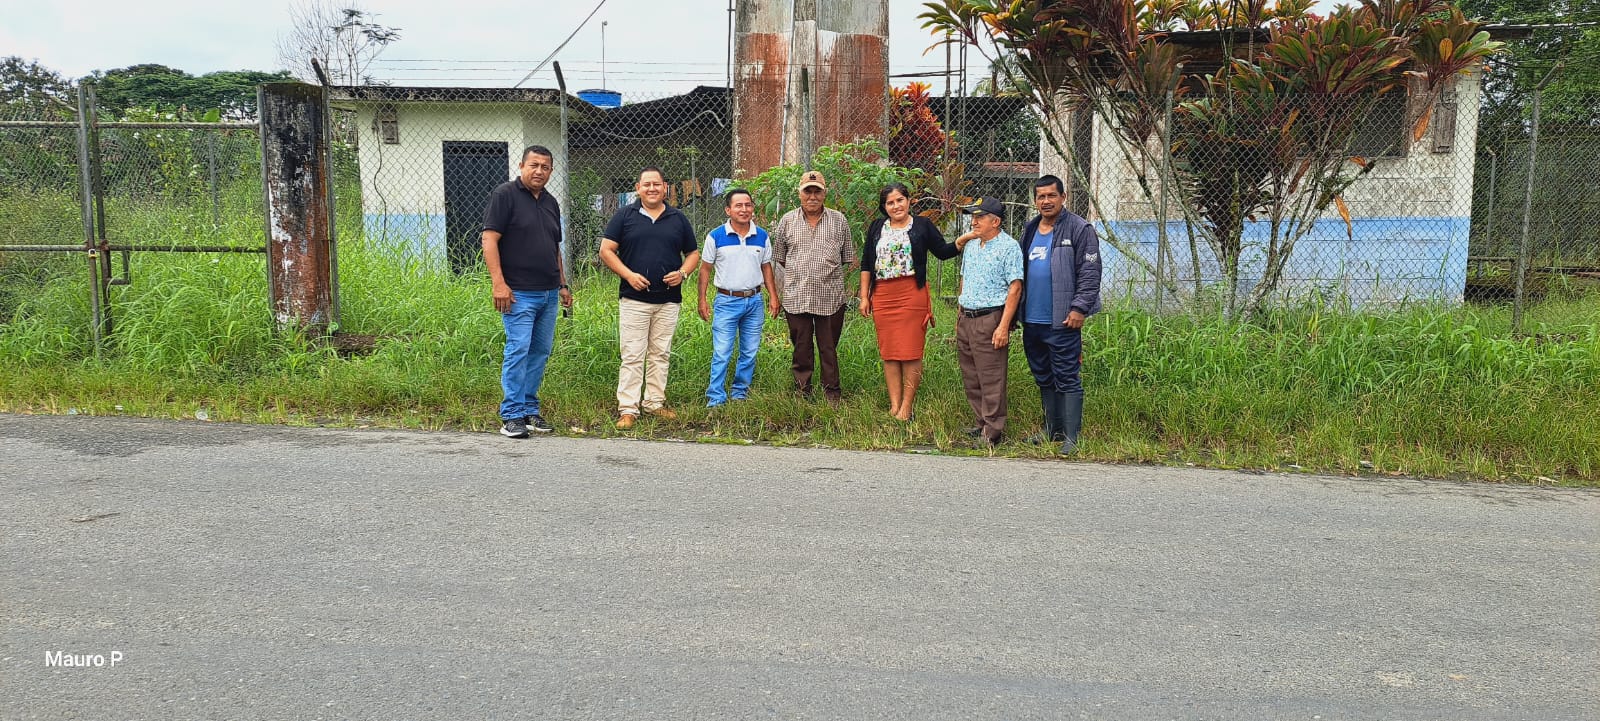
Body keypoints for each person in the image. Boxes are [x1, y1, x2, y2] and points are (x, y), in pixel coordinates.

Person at [598, 166, 701, 430]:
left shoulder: (678, 218)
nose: (652, 188)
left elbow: (693, 253)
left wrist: (683, 273)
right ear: (638, 188)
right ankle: (628, 409)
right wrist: (628, 275)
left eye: (657, 184)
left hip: (668, 300)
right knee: (633, 355)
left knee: (660, 354)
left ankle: (654, 403)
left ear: (665, 187)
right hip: (634, 299)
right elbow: (606, 250)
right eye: (647, 184)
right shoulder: (624, 216)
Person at [482, 145, 574, 439]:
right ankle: (511, 415)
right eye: (534, 165)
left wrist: (562, 285)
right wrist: (499, 283)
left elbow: (554, 247)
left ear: (551, 171)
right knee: (518, 349)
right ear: (521, 166)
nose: (539, 171)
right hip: (518, 293)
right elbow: (489, 240)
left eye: (545, 167)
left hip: (548, 292)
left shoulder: (550, 202)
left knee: (539, 352)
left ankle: (529, 410)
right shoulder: (505, 195)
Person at [858, 182, 960, 422]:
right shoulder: (877, 227)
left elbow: (943, 251)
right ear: (884, 207)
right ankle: (894, 405)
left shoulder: (922, 225)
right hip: (883, 295)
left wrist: (963, 240)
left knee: (911, 351)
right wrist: (864, 296)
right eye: (890, 203)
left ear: (909, 201)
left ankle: (907, 407)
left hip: (912, 294)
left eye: (900, 200)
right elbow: (866, 263)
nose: (896, 206)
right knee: (890, 352)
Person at [1017, 175, 1102, 454]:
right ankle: (1051, 430)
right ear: (1035, 201)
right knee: (1043, 375)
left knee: (1066, 376)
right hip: (1032, 320)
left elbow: (1090, 273)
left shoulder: (1079, 228)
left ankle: (1071, 438)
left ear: (1063, 197)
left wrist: (1079, 308)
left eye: (1051, 195)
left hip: (1063, 320)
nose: (1046, 201)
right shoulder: (1030, 229)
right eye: (1040, 196)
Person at [771, 170, 855, 403]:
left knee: (829, 348)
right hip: (797, 296)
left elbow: (846, 257)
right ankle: (802, 392)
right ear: (799, 194)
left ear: (824, 193)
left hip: (830, 297)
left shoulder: (839, 220)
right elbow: (781, 257)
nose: (812, 196)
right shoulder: (787, 220)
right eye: (807, 191)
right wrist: (802, 273)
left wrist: (822, 273)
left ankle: (831, 394)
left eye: (817, 191)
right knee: (801, 347)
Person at [951, 197, 1024, 446]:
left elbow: (1015, 288)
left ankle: (993, 431)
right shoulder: (972, 245)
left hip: (990, 318)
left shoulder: (1008, 247)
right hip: (967, 316)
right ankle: (981, 422)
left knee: (991, 376)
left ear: (995, 221)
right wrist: (959, 314)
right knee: (971, 375)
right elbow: (964, 279)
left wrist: (1003, 326)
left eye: (979, 217)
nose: (974, 222)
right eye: (973, 217)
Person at [697, 188, 780, 407]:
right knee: (722, 352)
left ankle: (740, 393)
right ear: (728, 210)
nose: (744, 209)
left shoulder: (761, 236)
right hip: (726, 302)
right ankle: (716, 397)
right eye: (738, 205)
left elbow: (766, 268)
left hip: (754, 301)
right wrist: (702, 300)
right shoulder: (716, 236)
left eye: (748, 205)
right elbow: (705, 270)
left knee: (749, 352)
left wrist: (773, 296)